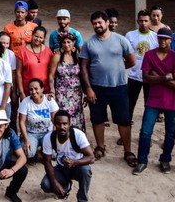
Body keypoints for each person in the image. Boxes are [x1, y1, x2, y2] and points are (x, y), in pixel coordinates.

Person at [78, 11, 136, 166]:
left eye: (100, 22)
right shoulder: (89, 43)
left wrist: (116, 69)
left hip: (119, 86)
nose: (97, 26)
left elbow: (131, 61)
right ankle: (100, 147)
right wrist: (88, 89)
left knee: (123, 120)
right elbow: (83, 68)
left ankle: (128, 151)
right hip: (97, 88)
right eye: (94, 23)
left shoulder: (121, 40)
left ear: (107, 23)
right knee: (98, 119)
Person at [132, 28, 175, 175]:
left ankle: (165, 160)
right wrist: (165, 77)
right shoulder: (149, 55)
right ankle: (142, 161)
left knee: (170, 132)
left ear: (170, 40)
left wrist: (156, 76)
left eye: (165, 39)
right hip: (153, 100)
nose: (162, 41)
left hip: (171, 101)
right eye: (160, 38)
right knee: (145, 131)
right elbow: (145, 78)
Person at [40, 110, 94, 202]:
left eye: (65, 124)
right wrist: (55, 183)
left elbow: (91, 158)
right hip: (61, 169)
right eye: (58, 124)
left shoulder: (78, 134)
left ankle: (82, 199)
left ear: (69, 124)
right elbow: (47, 161)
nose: (62, 127)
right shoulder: (49, 137)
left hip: (77, 168)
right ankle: (66, 185)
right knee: (46, 185)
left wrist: (74, 162)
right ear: (54, 124)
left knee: (86, 170)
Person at [124, 10, 158, 123]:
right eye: (141, 20)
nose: (143, 23)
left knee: (148, 104)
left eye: (146, 21)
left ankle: (145, 131)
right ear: (137, 21)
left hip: (150, 76)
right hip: (134, 75)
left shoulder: (155, 37)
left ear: (150, 22)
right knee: (129, 103)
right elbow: (125, 54)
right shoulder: (130, 35)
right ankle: (126, 129)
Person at [49, 32, 86, 131]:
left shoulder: (77, 57)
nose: (66, 45)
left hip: (76, 94)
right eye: (64, 42)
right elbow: (51, 75)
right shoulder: (57, 56)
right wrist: (52, 91)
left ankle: (76, 140)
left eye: (69, 42)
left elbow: (82, 75)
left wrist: (85, 92)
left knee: (76, 116)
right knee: (63, 117)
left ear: (73, 43)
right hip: (62, 93)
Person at [18, 78, 59, 161]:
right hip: (31, 133)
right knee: (28, 153)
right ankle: (36, 151)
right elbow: (21, 122)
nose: (33, 92)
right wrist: (26, 140)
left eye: (36, 89)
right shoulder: (26, 102)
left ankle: (41, 152)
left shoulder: (49, 100)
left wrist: (54, 138)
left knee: (54, 154)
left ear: (42, 89)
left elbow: (56, 121)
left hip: (48, 133)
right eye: (31, 89)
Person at [15, 25, 53, 97]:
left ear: (44, 39)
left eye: (41, 37)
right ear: (32, 35)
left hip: (45, 89)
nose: (38, 39)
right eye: (36, 36)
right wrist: (21, 92)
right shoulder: (22, 51)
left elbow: (51, 70)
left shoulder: (48, 51)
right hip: (29, 89)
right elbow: (18, 73)